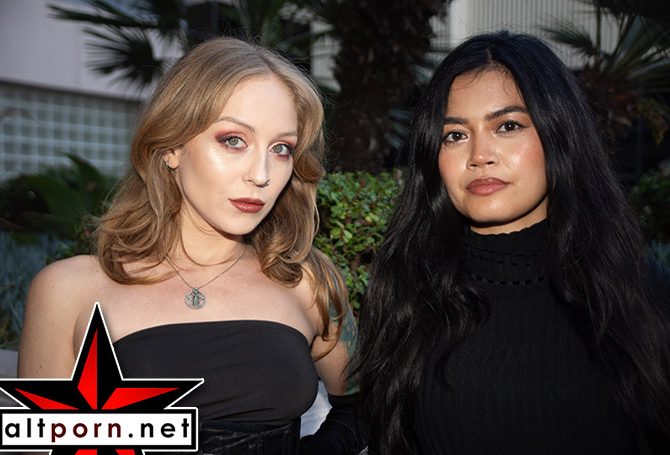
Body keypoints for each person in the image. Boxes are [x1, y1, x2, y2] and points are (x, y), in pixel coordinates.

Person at [18, 37, 365, 454]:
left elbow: (363, 406)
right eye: (233, 140)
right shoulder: (68, 289)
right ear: (171, 148)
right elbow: (41, 444)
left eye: (281, 149)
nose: (261, 174)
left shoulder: (308, 280)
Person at [355, 31, 670, 455]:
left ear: (559, 135)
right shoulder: (407, 295)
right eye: (455, 135)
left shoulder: (641, 295)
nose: (479, 155)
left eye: (507, 126)